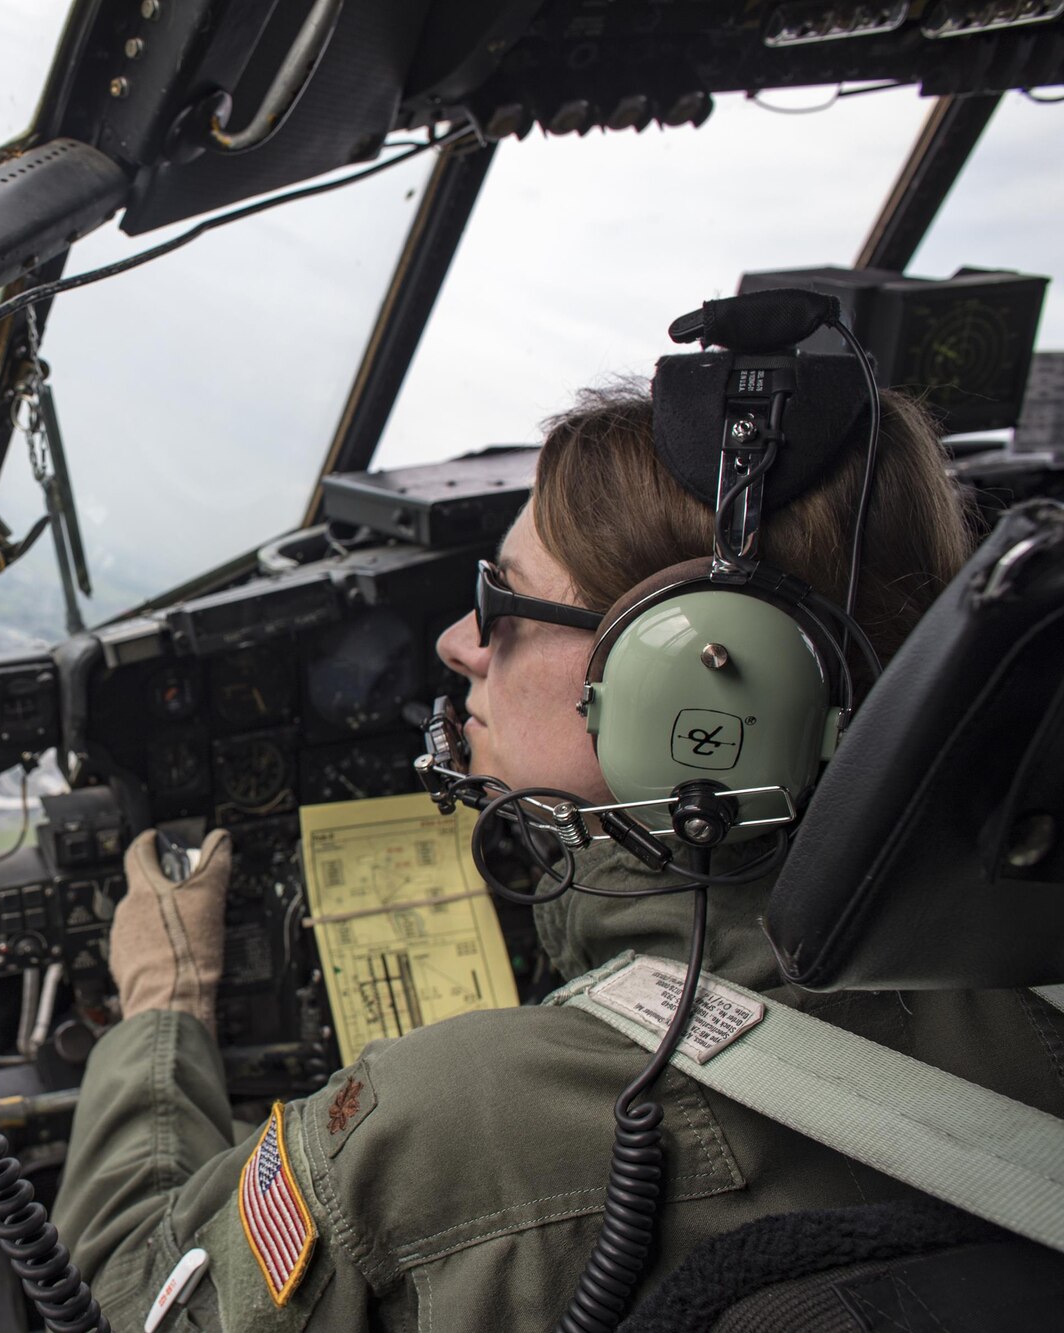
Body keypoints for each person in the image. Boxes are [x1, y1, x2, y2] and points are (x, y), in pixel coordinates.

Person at [52, 382, 1064, 1330]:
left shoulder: (439, 1133)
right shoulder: (1029, 959)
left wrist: (161, 1004)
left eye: (504, 605)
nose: (456, 642)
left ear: (695, 702)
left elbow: (130, 1293)